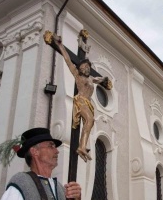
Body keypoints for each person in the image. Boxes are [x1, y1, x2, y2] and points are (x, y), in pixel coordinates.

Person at [43, 30, 112, 162]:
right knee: (90, 121)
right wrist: (60, 45)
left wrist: (106, 81)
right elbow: (68, 60)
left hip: (88, 103)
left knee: (90, 123)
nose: (85, 69)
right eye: (84, 67)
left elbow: (102, 80)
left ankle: (82, 146)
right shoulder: (77, 75)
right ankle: (81, 147)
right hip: (80, 101)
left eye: (87, 67)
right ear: (79, 68)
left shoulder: (92, 78)